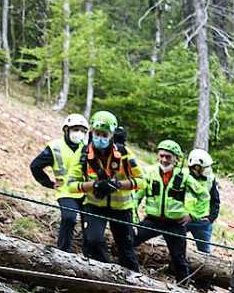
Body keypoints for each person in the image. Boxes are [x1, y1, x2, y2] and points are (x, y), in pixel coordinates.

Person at [70, 110, 144, 271]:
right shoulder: (83, 154)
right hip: (94, 205)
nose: (100, 138)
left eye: (105, 134)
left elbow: (141, 182)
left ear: (112, 135)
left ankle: (134, 284)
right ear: (91, 132)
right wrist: (94, 185)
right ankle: (107, 273)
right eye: (97, 133)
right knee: (93, 241)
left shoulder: (124, 154)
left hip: (121, 208)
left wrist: (118, 184)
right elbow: (71, 185)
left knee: (126, 249)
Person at [133, 139, 194, 281]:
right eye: (161, 156)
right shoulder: (149, 172)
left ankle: (184, 289)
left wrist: (192, 215)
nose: (164, 160)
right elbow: (136, 197)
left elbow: (203, 196)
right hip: (152, 221)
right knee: (129, 241)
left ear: (176, 158)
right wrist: (133, 220)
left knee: (179, 258)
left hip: (174, 224)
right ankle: (131, 275)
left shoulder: (184, 176)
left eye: (168, 157)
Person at [29, 113, 88, 252]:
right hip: (66, 191)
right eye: (75, 129)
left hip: (85, 190)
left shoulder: (88, 147)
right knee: (69, 218)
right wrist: (49, 183)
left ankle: (89, 255)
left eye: (82, 130)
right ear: (66, 130)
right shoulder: (54, 147)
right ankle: (63, 251)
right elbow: (35, 166)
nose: (78, 133)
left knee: (89, 223)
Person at [184, 148, 220, 253]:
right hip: (183, 219)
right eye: (205, 167)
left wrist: (211, 218)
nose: (208, 169)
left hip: (202, 221)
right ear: (196, 166)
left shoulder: (210, 179)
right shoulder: (182, 177)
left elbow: (215, 200)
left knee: (204, 252)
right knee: (166, 243)